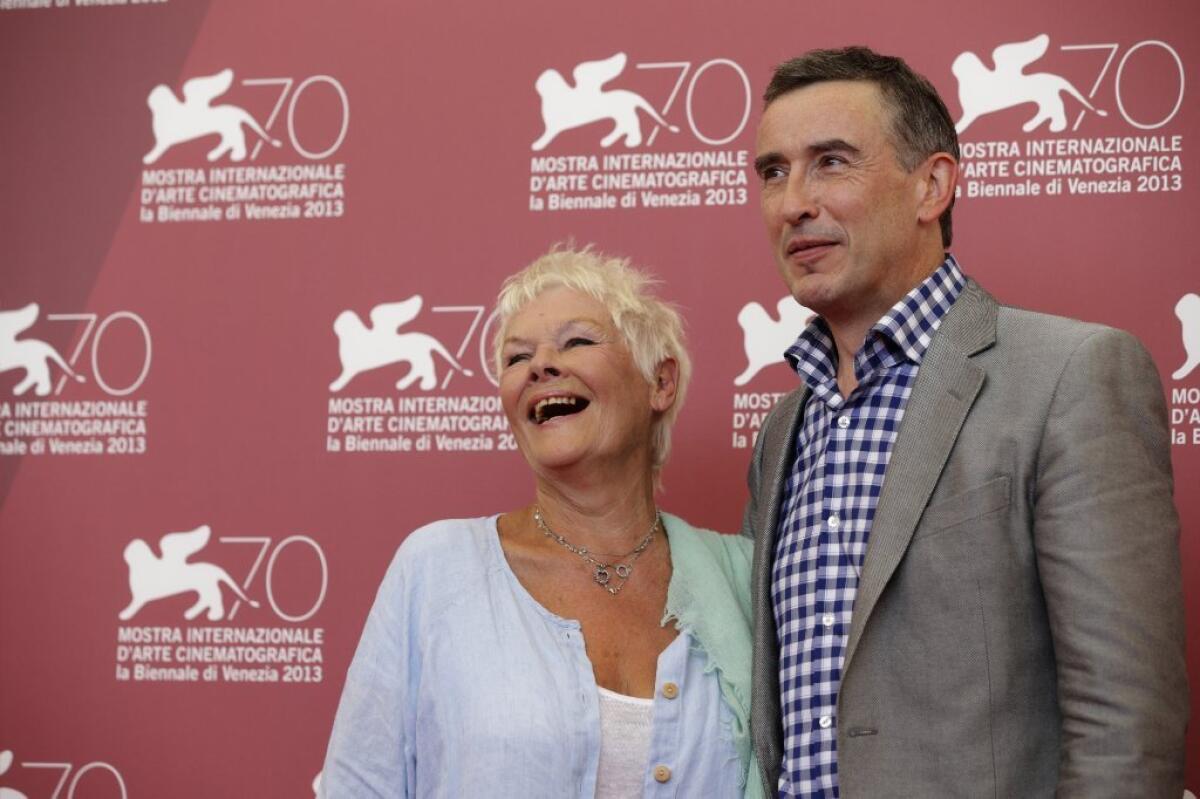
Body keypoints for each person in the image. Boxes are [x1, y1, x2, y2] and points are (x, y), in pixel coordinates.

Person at [743, 46, 1187, 797]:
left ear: (933, 185)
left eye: (831, 162)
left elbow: (1124, 724)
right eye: (774, 172)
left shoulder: (1071, 374)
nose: (792, 203)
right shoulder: (783, 428)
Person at [320, 246, 762, 798]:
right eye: (515, 357)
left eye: (577, 341)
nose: (540, 366)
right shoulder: (435, 570)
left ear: (660, 382)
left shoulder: (743, 579)